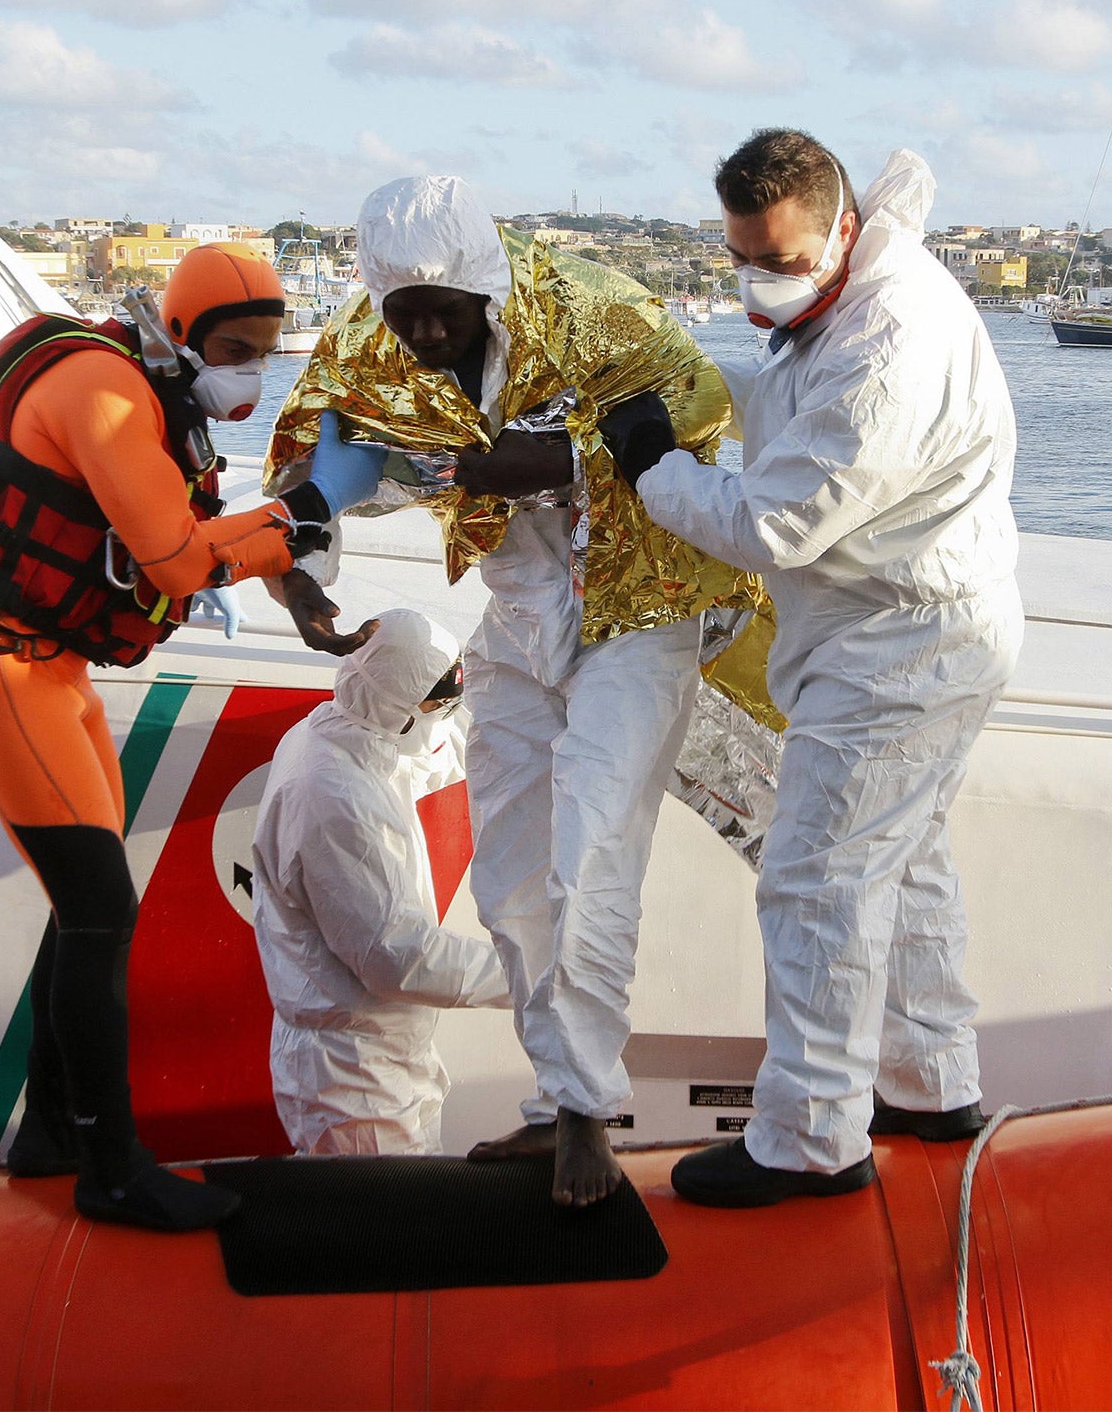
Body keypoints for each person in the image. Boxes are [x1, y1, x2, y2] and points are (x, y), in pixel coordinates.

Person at [261, 176, 758, 1205]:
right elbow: (304, 474)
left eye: (445, 310)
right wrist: (302, 580)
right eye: (408, 316)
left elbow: (697, 408)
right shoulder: (365, 343)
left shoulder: (590, 305)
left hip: (635, 604)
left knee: (592, 858)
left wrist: (544, 459)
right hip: (518, 611)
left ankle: (585, 1115)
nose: (429, 331)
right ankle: (551, 1106)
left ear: (486, 287)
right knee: (511, 876)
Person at [600, 133, 1022, 1206]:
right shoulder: (843, 298)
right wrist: (701, 400)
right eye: (744, 256)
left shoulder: (889, 339)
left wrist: (655, 468)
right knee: (902, 859)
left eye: (779, 259)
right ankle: (930, 1084)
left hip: (898, 645)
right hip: (908, 628)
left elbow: (776, 521)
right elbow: (799, 409)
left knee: (813, 879)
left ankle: (805, 1138)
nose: (761, 278)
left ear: (840, 227)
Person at [0, 243, 350, 1229]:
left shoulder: (147, 385)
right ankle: (110, 1167)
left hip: (47, 669)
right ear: (184, 334)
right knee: (100, 911)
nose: (247, 368)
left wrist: (284, 527)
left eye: (262, 350)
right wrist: (302, 515)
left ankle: (48, 1134)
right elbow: (174, 559)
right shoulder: (102, 391)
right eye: (233, 349)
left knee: (88, 905)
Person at [252, 609, 512, 1155]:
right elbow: (398, 959)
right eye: (438, 704)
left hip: (382, 1051)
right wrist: (532, 973)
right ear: (399, 707)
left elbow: (427, 753)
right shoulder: (336, 799)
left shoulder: (343, 729)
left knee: (405, 1224)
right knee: (384, 1231)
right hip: (352, 1078)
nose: (446, 716)